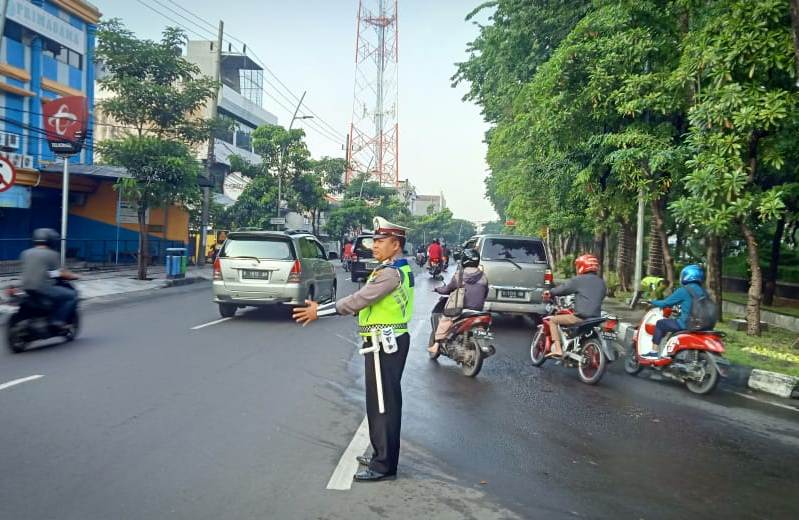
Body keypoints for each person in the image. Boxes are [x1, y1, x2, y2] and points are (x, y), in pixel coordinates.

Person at [293, 217, 413, 482]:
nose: (374, 246)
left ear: (396, 244)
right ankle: (381, 454)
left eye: (381, 241)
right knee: (380, 402)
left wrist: (320, 310)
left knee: (384, 405)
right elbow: (369, 304)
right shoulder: (395, 269)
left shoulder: (390, 273)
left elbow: (359, 299)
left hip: (386, 343)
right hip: (383, 341)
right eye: (375, 241)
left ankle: (384, 465)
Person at [544, 254, 606, 358]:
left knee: (553, 321)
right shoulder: (601, 282)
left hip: (581, 317)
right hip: (596, 317)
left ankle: (558, 349)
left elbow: (563, 289)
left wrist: (550, 292)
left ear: (582, 266)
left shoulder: (578, 280)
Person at [428, 248, 488, 355]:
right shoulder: (483, 276)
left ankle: (436, 345)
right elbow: (485, 292)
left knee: (445, 320)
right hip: (478, 310)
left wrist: (437, 289)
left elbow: (448, 289)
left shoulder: (459, 275)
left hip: (461, 309)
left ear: (464, 260)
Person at [19, 228, 80, 328]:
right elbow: (58, 273)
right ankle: (57, 320)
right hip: (43, 288)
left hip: (26, 287)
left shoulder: (25, 253)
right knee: (72, 295)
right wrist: (74, 276)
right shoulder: (52, 254)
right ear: (51, 240)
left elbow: (43, 270)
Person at [645, 264, 707, 358]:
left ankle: (653, 352)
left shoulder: (684, 290)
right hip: (703, 324)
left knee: (660, 324)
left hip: (686, 323)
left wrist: (652, 302)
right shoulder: (704, 291)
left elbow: (665, 303)